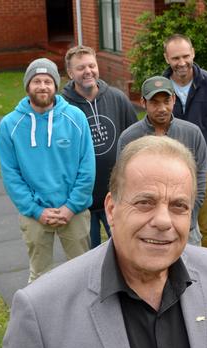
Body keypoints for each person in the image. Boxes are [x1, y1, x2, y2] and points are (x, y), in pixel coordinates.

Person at [2, 136, 207, 348]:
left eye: (179, 206)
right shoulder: (40, 312)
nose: (163, 221)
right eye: (145, 203)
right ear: (111, 210)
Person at [0, 58, 95, 283]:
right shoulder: (10, 125)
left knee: (82, 273)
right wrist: (35, 210)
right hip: (34, 213)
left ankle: (83, 314)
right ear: (27, 86)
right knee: (40, 275)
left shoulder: (76, 118)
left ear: (56, 85)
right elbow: (11, 175)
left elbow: (87, 167)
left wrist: (71, 206)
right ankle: (41, 317)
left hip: (74, 211)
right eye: (37, 81)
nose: (42, 86)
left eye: (48, 81)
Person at [163, 33, 207, 250]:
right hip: (170, 170)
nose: (182, 62)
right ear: (167, 58)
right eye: (175, 58)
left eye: (186, 56)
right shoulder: (161, 88)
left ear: (193, 53)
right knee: (173, 222)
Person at [62, 45, 137, 249]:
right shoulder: (62, 107)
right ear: (70, 73)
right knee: (89, 256)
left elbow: (135, 140)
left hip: (116, 194)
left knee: (125, 248)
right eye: (80, 68)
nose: (88, 71)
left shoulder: (117, 98)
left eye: (91, 65)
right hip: (80, 199)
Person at [118, 76, 207, 246]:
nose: (162, 108)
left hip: (186, 225)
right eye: (154, 103)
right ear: (143, 102)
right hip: (146, 226)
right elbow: (123, 184)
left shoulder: (192, 133)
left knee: (189, 270)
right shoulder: (129, 138)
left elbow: (200, 180)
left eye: (166, 101)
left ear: (174, 99)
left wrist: (188, 217)